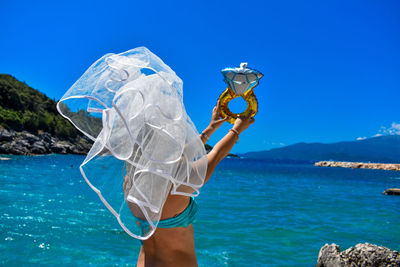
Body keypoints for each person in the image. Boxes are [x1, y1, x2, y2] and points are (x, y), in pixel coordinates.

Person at [135, 101, 255, 267]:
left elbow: (179, 157)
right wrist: (237, 129)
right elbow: (217, 154)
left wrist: (210, 129)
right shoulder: (180, 184)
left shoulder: (131, 181)